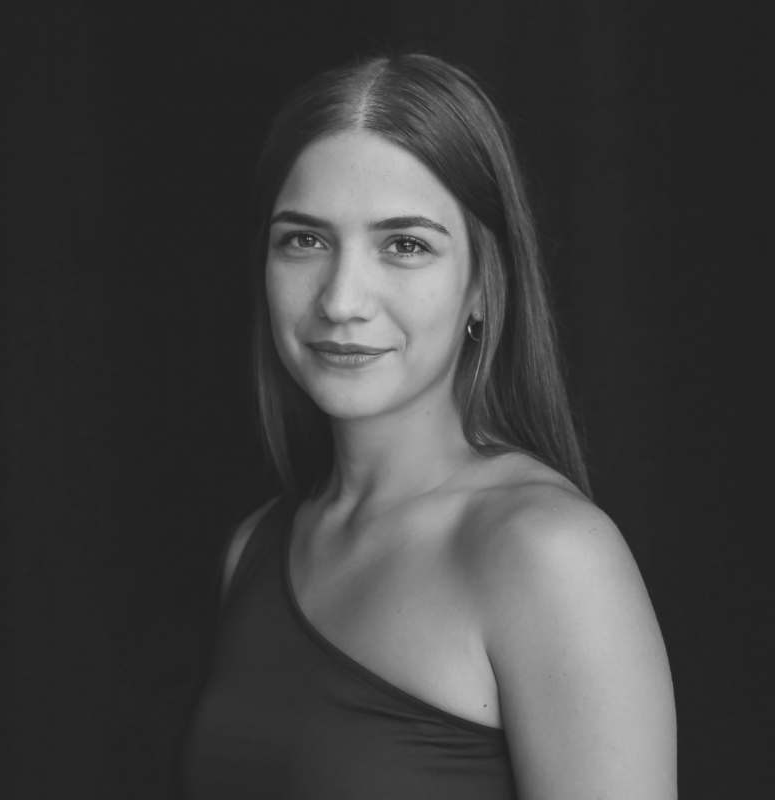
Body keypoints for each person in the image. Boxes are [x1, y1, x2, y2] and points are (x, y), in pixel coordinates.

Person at [183, 53, 677, 799]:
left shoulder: (548, 554)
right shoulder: (253, 549)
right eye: (305, 240)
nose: (342, 299)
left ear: (483, 284)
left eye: (405, 245)